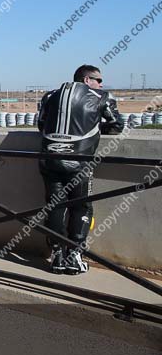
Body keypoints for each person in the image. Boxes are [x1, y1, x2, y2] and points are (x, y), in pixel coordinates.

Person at [38, 64, 124, 274]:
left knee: (55, 206)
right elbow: (116, 125)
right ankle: (74, 255)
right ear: (87, 80)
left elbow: (41, 124)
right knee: (81, 207)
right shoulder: (101, 96)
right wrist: (93, 126)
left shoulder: (50, 95)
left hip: (49, 159)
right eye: (98, 79)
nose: (101, 84)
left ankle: (57, 254)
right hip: (79, 161)